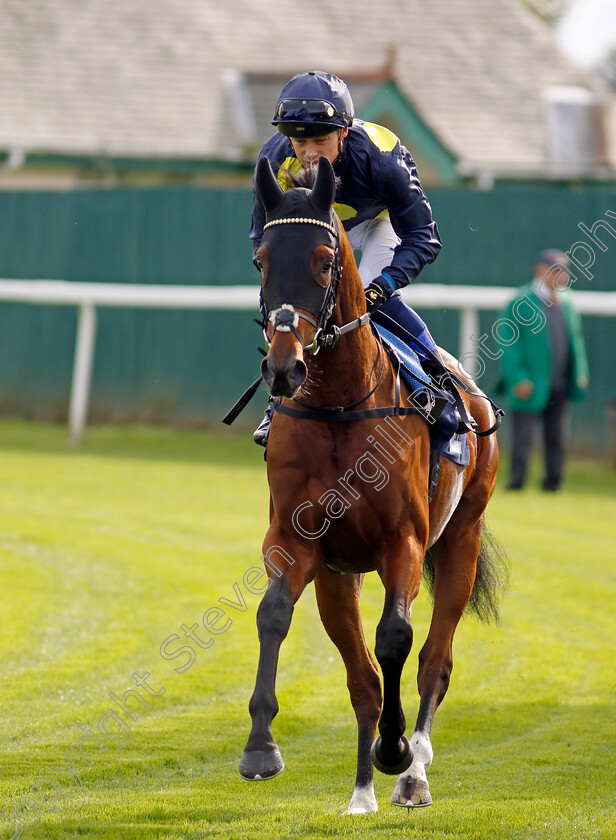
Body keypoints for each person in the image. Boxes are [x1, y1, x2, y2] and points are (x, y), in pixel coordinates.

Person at [250, 70, 442, 445]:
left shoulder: (383, 159)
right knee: (290, 307)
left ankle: (434, 380)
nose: (307, 154)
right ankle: (277, 402)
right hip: (315, 228)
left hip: (378, 222)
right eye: (298, 142)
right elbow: (262, 236)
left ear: (343, 132)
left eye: (320, 141)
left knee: (367, 294)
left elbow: (424, 236)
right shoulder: (274, 160)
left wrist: (386, 286)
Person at [497, 250, 589, 491]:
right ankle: (516, 483)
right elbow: (508, 343)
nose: (561, 277)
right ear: (541, 270)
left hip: (559, 382)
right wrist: (518, 377)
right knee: (523, 439)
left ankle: (553, 483)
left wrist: (580, 373)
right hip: (529, 383)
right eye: (555, 270)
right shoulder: (521, 301)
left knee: (557, 437)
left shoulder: (567, 300)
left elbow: (575, 340)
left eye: (564, 272)